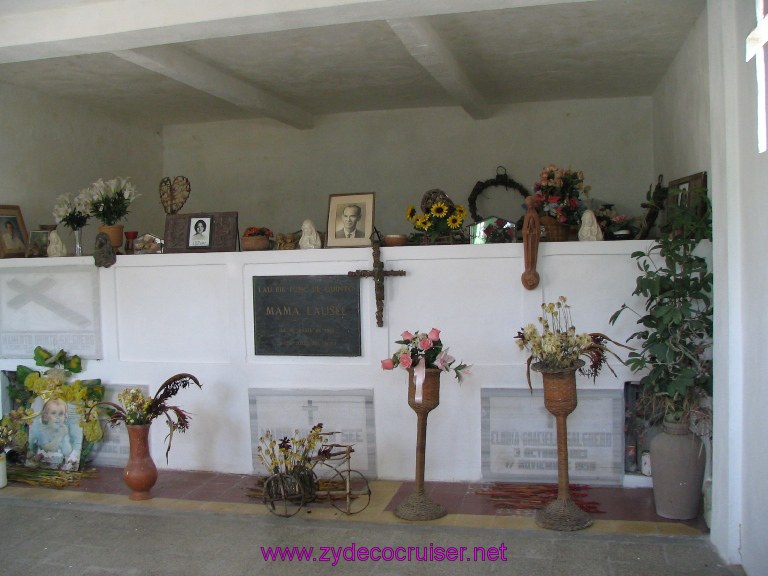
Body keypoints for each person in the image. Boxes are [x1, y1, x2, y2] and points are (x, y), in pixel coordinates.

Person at [27, 398, 76, 469]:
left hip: (59, 465)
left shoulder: (62, 430)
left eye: (61, 414)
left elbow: (67, 451)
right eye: (53, 413)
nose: (58, 417)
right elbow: (48, 448)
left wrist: (65, 436)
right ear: (46, 417)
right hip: (43, 464)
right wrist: (59, 436)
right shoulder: (42, 431)